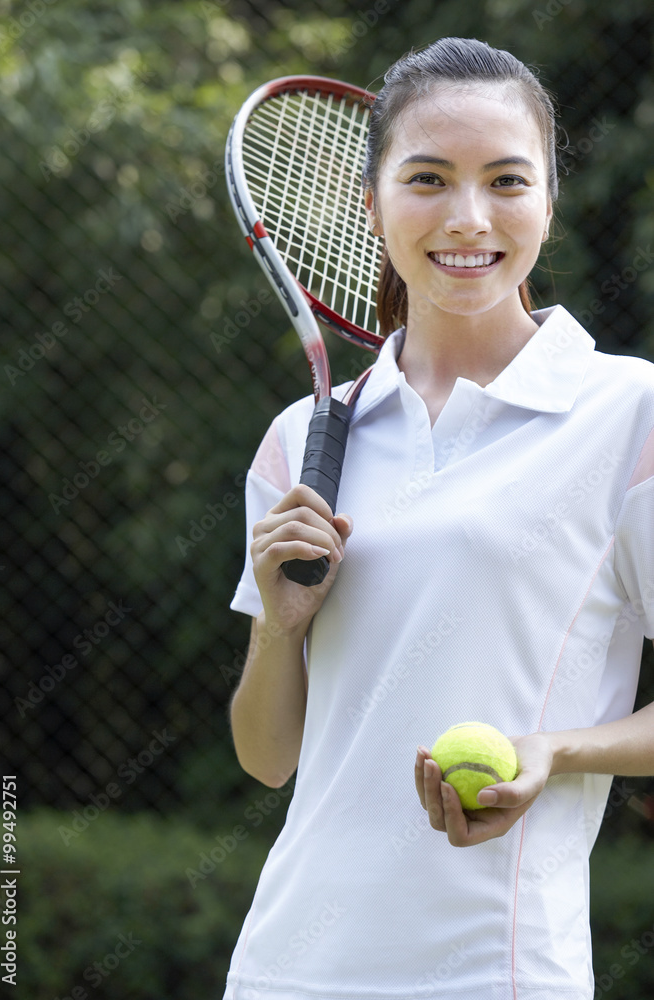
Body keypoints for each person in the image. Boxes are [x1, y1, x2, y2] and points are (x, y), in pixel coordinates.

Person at [224, 36, 654, 1000]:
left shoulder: (630, 413)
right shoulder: (302, 441)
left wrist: (554, 751)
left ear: (549, 201)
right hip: (287, 969)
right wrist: (277, 632)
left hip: (496, 973)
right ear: (371, 205)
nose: (468, 217)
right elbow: (265, 758)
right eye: (428, 179)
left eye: (506, 180)